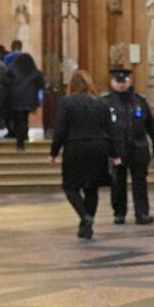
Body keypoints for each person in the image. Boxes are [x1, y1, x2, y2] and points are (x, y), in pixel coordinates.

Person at [49, 70, 113, 240]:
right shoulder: (101, 103)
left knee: (70, 186)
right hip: (99, 147)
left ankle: (85, 216)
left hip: (76, 147)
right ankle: (86, 227)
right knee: (92, 187)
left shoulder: (67, 102)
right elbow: (110, 129)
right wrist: (114, 153)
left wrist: (54, 152)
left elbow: (60, 129)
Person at [101, 68, 154, 225]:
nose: (121, 85)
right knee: (118, 183)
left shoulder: (139, 101)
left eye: (124, 81)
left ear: (129, 82)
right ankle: (119, 213)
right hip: (116, 148)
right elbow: (101, 128)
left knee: (140, 182)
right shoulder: (105, 102)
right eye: (118, 82)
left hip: (138, 147)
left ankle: (142, 213)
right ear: (112, 82)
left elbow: (151, 126)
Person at [4, 52, 45, 151]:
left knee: (17, 118)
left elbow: (5, 83)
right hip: (29, 98)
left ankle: (20, 139)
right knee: (24, 118)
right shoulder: (35, 72)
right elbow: (41, 85)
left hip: (14, 98)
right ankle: (22, 138)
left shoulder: (11, 70)